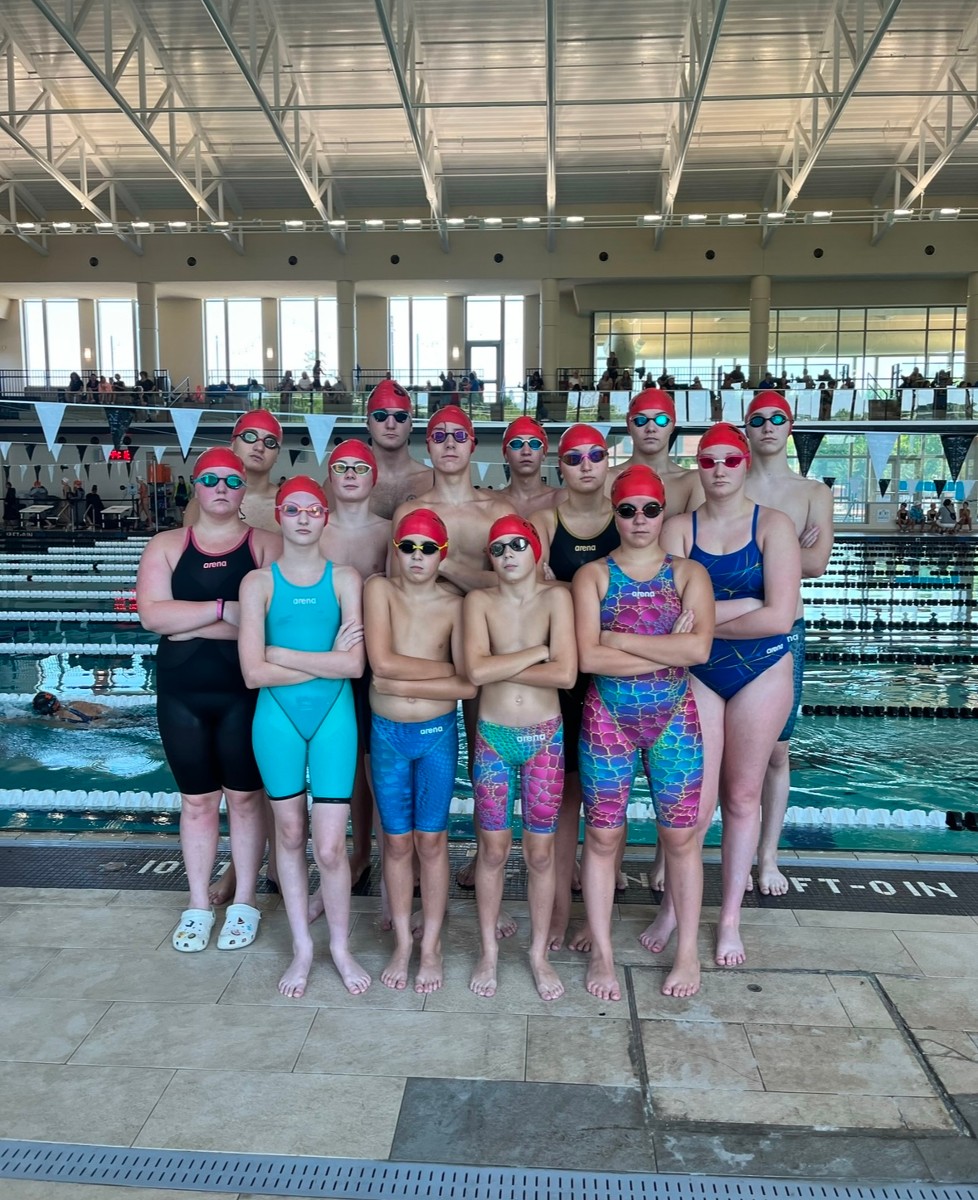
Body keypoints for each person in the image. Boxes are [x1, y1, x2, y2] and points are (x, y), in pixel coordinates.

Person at [659, 423, 800, 968]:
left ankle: (729, 921)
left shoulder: (774, 525)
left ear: (744, 464)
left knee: (742, 798)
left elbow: (780, 617)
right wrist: (746, 607)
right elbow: (668, 615)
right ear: (698, 466)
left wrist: (704, 620)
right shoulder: (677, 528)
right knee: (692, 806)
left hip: (762, 670)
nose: (719, 469)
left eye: (730, 460)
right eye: (708, 460)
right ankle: (673, 909)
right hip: (697, 671)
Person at [574, 465, 713, 1000]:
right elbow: (588, 659)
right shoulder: (593, 576)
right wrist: (665, 650)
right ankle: (602, 954)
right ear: (615, 513)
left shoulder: (688, 574)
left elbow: (698, 650)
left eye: (650, 509)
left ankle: (687, 953)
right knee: (603, 836)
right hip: (606, 720)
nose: (639, 519)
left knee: (680, 837)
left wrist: (617, 639)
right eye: (628, 509)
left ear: (663, 512)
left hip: (674, 719)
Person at [136, 448, 281, 954]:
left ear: (244, 490)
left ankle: (244, 901)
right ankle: (198, 904)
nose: (222, 488)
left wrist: (189, 620)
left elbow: (271, 623)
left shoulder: (266, 545)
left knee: (245, 798)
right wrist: (226, 609)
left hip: (245, 693)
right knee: (196, 801)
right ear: (195, 486)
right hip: (182, 695)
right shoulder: (166, 545)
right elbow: (152, 617)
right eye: (211, 480)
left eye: (232, 481)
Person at [238, 475, 368, 998]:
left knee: (331, 846)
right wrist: (325, 660)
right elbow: (253, 675)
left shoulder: (346, 579)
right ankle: (302, 948)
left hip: (335, 718)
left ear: (325, 517)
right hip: (277, 720)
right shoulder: (257, 584)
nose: (303, 518)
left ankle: (339, 946)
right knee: (290, 835)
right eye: (293, 509)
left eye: (313, 509)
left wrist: (280, 654)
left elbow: (354, 666)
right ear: (279, 516)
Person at [464, 515, 577, 1001]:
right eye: (497, 548)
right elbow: (475, 671)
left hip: (545, 741)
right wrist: (539, 651)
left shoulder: (556, 600)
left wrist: (500, 666)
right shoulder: (478, 602)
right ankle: (488, 952)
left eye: (517, 544)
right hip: (493, 738)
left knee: (540, 853)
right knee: (492, 851)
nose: (507, 554)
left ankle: (537, 954)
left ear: (536, 551)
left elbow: (567, 675)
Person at [365, 508, 475, 994]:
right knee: (395, 843)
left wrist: (399, 680)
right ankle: (402, 946)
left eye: (427, 548)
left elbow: (469, 684)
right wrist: (444, 672)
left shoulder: (456, 605)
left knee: (431, 842)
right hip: (388, 735)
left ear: (442, 555)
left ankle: (430, 945)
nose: (416, 555)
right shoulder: (379, 591)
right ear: (396, 551)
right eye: (407, 546)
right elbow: (381, 663)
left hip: (436, 736)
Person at [531, 424, 622, 953]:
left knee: (608, 799)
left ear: (607, 461)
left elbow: (635, 588)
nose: (585, 465)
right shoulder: (547, 521)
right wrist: (594, 603)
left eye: (595, 455)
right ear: (559, 466)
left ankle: (596, 916)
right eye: (573, 457)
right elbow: (535, 592)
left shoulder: (628, 517)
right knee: (566, 797)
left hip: (613, 673)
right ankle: (562, 911)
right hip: (566, 674)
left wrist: (567, 592)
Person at [742, 391, 833, 895]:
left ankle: (768, 857)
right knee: (720, 751)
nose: (768, 426)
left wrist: (753, 557)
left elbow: (817, 564)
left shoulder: (813, 492)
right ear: (746, 428)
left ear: (791, 426)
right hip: (733, 630)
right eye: (758, 419)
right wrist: (786, 549)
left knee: (777, 752)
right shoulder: (726, 481)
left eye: (778, 418)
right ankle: (712, 854)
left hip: (785, 631)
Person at [320, 439, 391, 889]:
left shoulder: (390, 531)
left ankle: (390, 857)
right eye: (341, 467)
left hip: (377, 660)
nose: (349, 474)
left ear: (373, 478)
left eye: (359, 468)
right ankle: (360, 851)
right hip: (327, 661)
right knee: (346, 763)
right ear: (329, 476)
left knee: (378, 762)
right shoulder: (312, 526)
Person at [183, 410, 282, 532]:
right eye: (249, 436)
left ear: (277, 455)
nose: (259, 447)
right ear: (233, 444)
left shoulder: (287, 506)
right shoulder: (200, 505)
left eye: (270, 442)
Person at [607, 390, 704, 514]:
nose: (651, 428)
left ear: (673, 425)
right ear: (628, 425)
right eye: (640, 420)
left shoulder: (693, 482)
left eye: (661, 420)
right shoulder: (607, 479)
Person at [360, 379, 433, 520]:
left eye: (400, 417)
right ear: (368, 423)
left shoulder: (434, 481)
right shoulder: (343, 483)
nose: (390, 425)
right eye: (380, 416)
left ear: (411, 425)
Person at [498, 416, 562, 519]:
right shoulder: (493, 501)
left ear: (544, 454)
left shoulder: (562, 499)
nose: (526, 451)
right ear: (506, 454)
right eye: (516, 443)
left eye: (535, 443)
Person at [32, 692, 109, 723]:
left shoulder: (58, 719)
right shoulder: (75, 703)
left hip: (96, 725)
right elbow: (104, 708)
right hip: (106, 717)